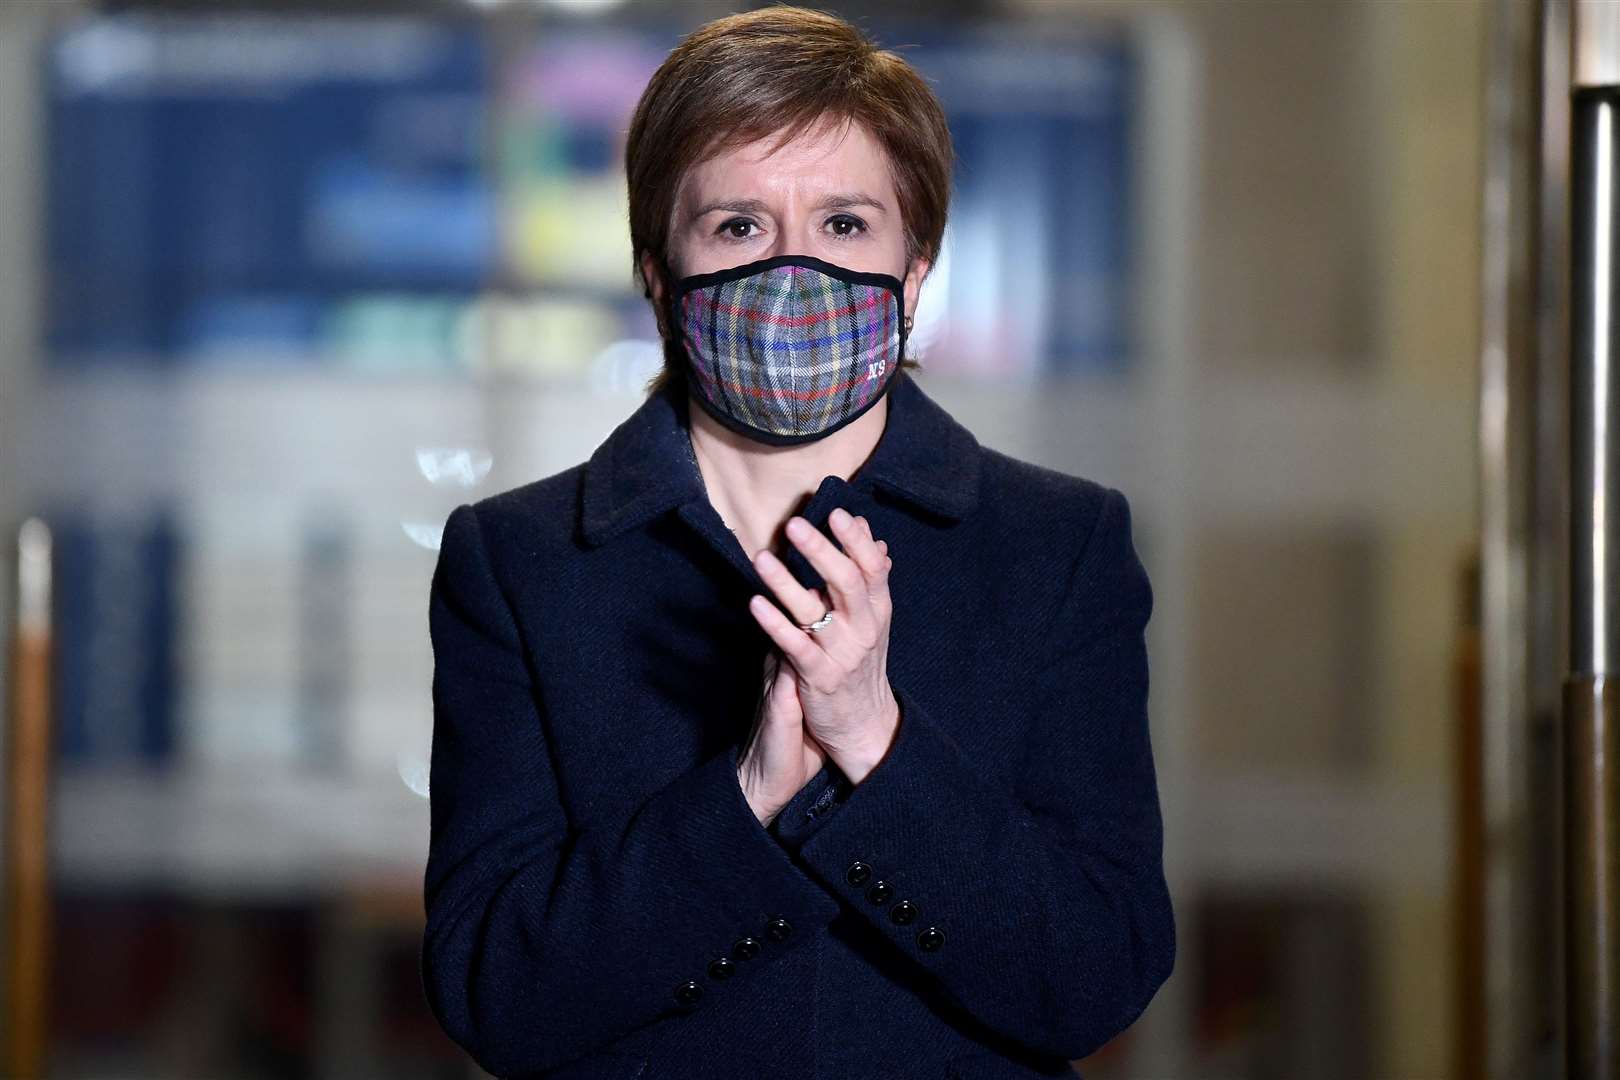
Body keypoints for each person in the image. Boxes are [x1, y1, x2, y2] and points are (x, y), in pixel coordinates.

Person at [419, 7, 1175, 1079]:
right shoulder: (522, 562)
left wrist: (875, 741)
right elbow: (493, 993)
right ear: (656, 273)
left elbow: (1096, 979)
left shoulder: (1058, 547)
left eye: (844, 225)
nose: (791, 274)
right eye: (736, 227)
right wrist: (747, 797)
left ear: (916, 270)